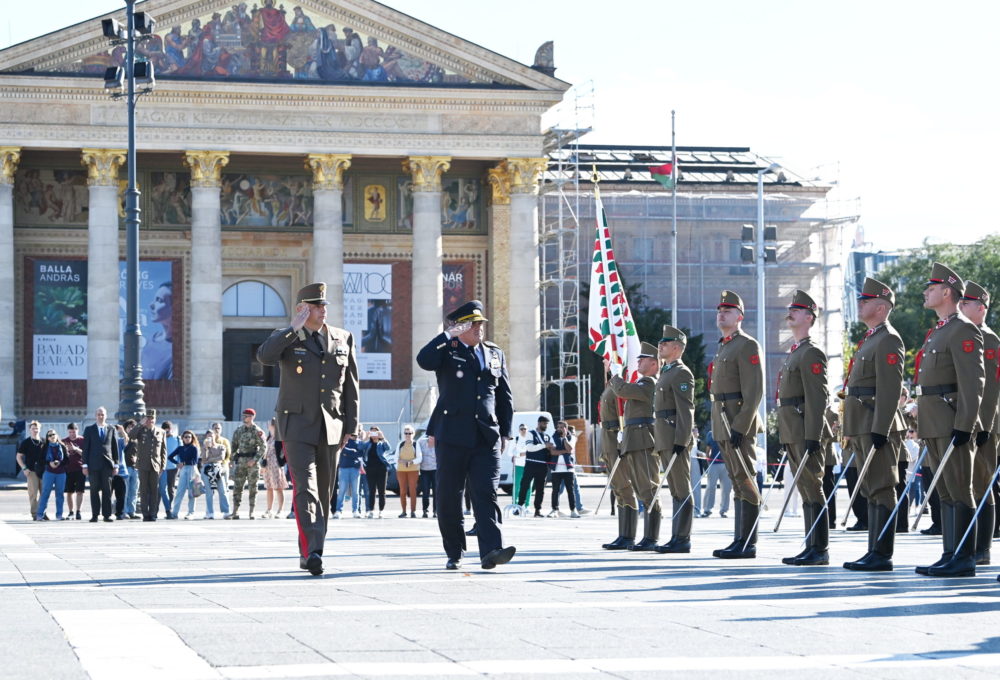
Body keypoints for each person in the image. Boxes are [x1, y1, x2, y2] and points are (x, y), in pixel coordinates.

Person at [257, 281, 360, 576]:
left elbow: (350, 385)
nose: (322, 310)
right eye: (316, 306)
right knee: (307, 488)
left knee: (325, 492)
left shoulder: (342, 338)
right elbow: (264, 356)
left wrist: (350, 426)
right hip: (296, 425)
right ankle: (311, 551)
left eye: (324, 305)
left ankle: (314, 548)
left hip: (332, 426)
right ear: (303, 309)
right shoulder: (287, 337)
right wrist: (293, 327)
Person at [416, 299, 516, 571]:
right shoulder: (447, 350)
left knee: (486, 493)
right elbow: (423, 360)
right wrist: (449, 335)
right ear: (458, 327)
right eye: (472, 325)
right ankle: (455, 550)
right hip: (452, 435)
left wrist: (505, 431)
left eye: (480, 324)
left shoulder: (495, 353)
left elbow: (504, 395)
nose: (478, 329)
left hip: (486, 436)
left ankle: (492, 549)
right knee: (449, 497)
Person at [914, 264, 984, 578]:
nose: (925, 293)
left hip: (951, 420)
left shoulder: (963, 328)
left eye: (931, 288)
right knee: (944, 491)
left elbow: (973, 383)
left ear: (946, 292)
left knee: (960, 488)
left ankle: (965, 557)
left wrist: (965, 425)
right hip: (933, 419)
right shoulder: (940, 331)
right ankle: (949, 553)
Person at [841, 277, 907, 572]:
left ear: (881, 307)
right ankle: (873, 550)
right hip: (861, 422)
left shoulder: (889, 339)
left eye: (865, 301)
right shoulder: (870, 339)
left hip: (874, 423)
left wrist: (881, 427)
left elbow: (890, 389)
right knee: (869, 487)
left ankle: (882, 553)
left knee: (882, 486)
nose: (860, 305)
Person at [775, 291, 831, 566]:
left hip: (804, 429)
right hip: (793, 428)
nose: (790, 314)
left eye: (795, 311)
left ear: (808, 318)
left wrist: (813, 435)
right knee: (805, 489)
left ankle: (819, 548)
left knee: (812, 486)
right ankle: (811, 545)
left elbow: (818, 398)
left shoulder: (812, 352)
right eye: (790, 310)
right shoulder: (797, 351)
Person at [709, 290, 765, 559]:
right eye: (720, 310)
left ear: (740, 316)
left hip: (737, 419)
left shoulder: (747, 345)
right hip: (723, 418)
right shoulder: (725, 345)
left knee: (746, 478)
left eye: (728, 311)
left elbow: (754, 390)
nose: (722, 314)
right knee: (735, 479)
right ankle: (739, 539)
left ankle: (748, 542)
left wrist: (740, 426)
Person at [959, 281, 999, 565]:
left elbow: (990, 389)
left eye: (966, 304)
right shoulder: (965, 334)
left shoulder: (988, 338)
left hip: (985, 423)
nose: (960, 307)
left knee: (983, 482)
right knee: (969, 483)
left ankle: (982, 548)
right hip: (970, 420)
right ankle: (968, 544)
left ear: (981, 308)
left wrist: (983, 425)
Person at [609, 343, 663, 551]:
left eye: (643, 359)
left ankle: (651, 537)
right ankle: (644, 536)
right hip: (634, 438)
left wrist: (615, 376)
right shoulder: (642, 383)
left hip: (644, 440)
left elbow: (623, 390)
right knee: (641, 489)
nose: (638, 362)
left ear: (654, 363)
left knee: (648, 487)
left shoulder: (649, 383)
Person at [652, 325, 696, 554]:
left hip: (674, 437)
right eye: (661, 342)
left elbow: (686, 410)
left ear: (677, 348)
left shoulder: (681, 372)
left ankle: (682, 538)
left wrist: (682, 439)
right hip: (664, 436)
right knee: (675, 490)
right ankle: (676, 536)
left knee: (681, 488)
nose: (661, 346)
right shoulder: (667, 372)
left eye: (666, 343)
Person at [599, 372, 638, 549]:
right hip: (608, 436)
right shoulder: (611, 386)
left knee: (624, 485)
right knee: (618, 488)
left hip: (616, 435)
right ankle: (623, 534)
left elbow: (624, 411)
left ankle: (628, 535)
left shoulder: (619, 385)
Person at [81, 407, 121, 523]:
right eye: (98, 414)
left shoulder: (111, 429)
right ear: (95, 416)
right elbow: (85, 449)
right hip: (93, 465)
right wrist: (84, 465)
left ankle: (107, 515)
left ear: (106, 416)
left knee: (107, 490)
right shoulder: (89, 430)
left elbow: (115, 448)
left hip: (107, 465)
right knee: (94, 490)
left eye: (102, 414)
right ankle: (94, 515)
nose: (100, 416)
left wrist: (116, 465)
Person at [129, 410, 168, 521]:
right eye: (148, 418)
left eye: (152, 418)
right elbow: (131, 435)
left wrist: (163, 466)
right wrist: (140, 424)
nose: (150, 420)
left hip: (155, 465)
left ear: (155, 420)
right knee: (144, 490)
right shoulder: (141, 430)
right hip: (143, 465)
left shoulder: (161, 432)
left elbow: (164, 450)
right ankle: (145, 514)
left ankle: (153, 513)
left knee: (154, 491)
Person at [230, 408, 266, 520]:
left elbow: (263, 447)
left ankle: (252, 512)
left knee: (253, 488)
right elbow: (234, 446)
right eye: (243, 415)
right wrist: (232, 459)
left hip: (252, 463)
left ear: (251, 417)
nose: (243, 418)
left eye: (246, 416)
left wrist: (254, 460)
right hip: (241, 462)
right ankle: (235, 512)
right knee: (237, 487)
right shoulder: (239, 430)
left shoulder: (257, 431)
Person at [518, 416, 555, 517]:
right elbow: (529, 448)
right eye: (544, 424)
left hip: (542, 466)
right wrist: (544, 445)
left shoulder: (547, 436)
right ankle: (519, 506)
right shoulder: (531, 433)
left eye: (547, 424)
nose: (546, 426)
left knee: (540, 489)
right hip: (531, 463)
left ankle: (537, 510)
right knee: (524, 485)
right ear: (539, 423)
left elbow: (551, 448)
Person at [549, 420, 579, 518]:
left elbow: (570, 449)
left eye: (561, 427)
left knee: (570, 490)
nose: (559, 429)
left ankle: (573, 510)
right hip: (556, 469)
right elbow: (552, 452)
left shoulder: (572, 437)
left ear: (566, 428)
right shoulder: (553, 437)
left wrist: (565, 438)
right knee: (555, 491)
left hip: (568, 469)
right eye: (558, 427)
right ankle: (554, 510)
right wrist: (564, 451)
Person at [15, 420, 45, 519]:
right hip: (31, 471)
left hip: (44, 472)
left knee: (45, 493)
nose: (35, 430)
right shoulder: (26, 442)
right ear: (30, 430)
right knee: (33, 494)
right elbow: (18, 456)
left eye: (37, 428)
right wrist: (24, 468)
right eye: (33, 428)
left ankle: (41, 512)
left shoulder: (44, 441)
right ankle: (35, 514)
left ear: (40, 429)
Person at [167, 431, 200, 519]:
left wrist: (183, 463)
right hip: (183, 469)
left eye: (189, 437)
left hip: (192, 469)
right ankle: (174, 513)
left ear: (192, 438)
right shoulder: (180, 448)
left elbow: (195, 461)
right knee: (179, 492)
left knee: (192, 492)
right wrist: (177, 463)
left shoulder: (194, 448)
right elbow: (170, 457)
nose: (187, 438)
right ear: (182, 438)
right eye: (185, 437)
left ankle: (191, 513)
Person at [36, 429, 68, 520]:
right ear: (48, 438)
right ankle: (39, 515)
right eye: (49, 435)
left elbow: (67, 460)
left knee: (60, 495)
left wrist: (59, 463)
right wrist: (49, 463)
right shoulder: (45, 447)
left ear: (56, 435)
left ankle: (59, 515)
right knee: (45, 493)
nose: (52, 436)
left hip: (61, 473)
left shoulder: (62, 446)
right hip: (49, 473)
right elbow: (40, 460)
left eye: (53, 434)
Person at [261, 418, 288, 519]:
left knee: (278, 487)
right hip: (268, 465)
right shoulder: (269, 437)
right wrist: (263, 465)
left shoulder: (279, 437)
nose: (268, 425)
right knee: (269, 488)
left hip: (276, 465)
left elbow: (285, 451)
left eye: (269, 424)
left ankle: (280, 510)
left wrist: (282, 462)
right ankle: (269, 509)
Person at [701, 430, 731, 518]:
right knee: (711, 487)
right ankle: (707, 509)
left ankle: (724, 510)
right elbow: (708, 449)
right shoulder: (711, 433)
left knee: (727, 488)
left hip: (726, 464)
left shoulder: (728, 432)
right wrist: (708, 462)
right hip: (714, 463)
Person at [362, 426, 391, 518]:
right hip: (370, 469)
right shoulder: (368, 444)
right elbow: (359, 447)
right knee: (371, 490)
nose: (374, 434)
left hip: (381, 469)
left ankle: (381, 510)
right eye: (372, 432)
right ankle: (371, 510)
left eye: (376, 432)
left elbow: (388, 448)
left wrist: (383, 437)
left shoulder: (381, 444)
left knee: (382, 491)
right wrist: (365, 438)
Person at [334, 430, 364, 518]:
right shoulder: (344, 441)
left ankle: (355, 510)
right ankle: (338, 510)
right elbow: (343, 451)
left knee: (355, 491)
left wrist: (351, 453)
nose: (354, 434)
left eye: (356, 433)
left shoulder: (359, 443)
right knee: (342, 490)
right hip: (343, 469)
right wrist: (354, 452)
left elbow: (360, 453)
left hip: (355, 469)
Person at [200, 431, 229, 520]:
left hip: (217, 470)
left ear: (215, 436)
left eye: (211, 436)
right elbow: (204, 460)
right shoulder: (204, 448)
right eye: (208, 436)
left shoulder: (221, 446)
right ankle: (210, 512)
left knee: (222, 490)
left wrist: (210, 459)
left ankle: (226, 511)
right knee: (209, 492)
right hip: (207, 470)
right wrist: (206, 449)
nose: (210, 438)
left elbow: (221, 457)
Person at [395, 425, 421, 518]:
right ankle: (404, 511)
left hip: (413, 470)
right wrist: (400, 461)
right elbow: (395, 458)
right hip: (401, 470)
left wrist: (411, 462)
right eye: (406, 433)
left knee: (413, 490)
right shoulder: (400, 444)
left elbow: (419, 458)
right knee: (402, 491)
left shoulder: (416, 444)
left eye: (410, 433)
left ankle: (413, 511)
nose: (408, 435)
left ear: (413, 434)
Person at [62, 424, 85, 520]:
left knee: (80, 491)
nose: (72, 434)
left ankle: (78, 511)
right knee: (69, 492)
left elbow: (86, 454)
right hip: (68, 469)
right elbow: (61, 456)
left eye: (74, 432)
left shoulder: (82, 440)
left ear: (77, 430)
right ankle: (71, 512)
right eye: (70, 432)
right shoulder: (64, 441)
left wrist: (76, 449)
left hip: (80, 469)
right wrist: (66, 451)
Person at [160, 421, 180, 519]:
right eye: (165, 431)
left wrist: (179, 464)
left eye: (168, 431)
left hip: (173, 467)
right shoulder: (159, 439)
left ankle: (169, 509)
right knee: (161, 489)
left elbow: (180, 452)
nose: (167, 433)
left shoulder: (176, 439)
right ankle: (164, 509)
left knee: (170, 489)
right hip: (162, 468)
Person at [210, 422, 233, 507]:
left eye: (218, 428)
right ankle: (210, 511)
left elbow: (228, 454)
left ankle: (226, 509)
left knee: (224, 488)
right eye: (215, 428)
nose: (217, 430)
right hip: (211, 467)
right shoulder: (209, 441)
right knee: (211, 489)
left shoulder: (225, 441)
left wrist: (223, 464)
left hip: (223, 466)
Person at [121, 419, 140, 519]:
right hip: (126, 467)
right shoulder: (123, 439)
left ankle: (132, 511)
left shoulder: (138, 440)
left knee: (134, 491)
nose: (131, 429)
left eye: (133, 427)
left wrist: (138, 458)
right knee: (125, 491)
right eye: (129, 427)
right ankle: (124, 511)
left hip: (136, 468)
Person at [511, 424, 532, 508]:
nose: (523, 430)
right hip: (518, 466)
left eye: (525, 429)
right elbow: (510, 453)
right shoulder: (515, 439)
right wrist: (521, 454)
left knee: (528, 487)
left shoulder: (530, 439)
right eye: (521, 429)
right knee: (517, 487)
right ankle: (515, 505)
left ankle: (527, 506)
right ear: (519, 430)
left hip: (529, 466)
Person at [418, 432, 437, 518]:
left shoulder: (438, 444)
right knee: (425, 492)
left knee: (436, 492)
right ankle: (425, 510)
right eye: (431, 436)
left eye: (434, 436)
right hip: (424, 471)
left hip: (435, 471)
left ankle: (435, 511)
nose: (432, 438)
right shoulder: (421, 442)